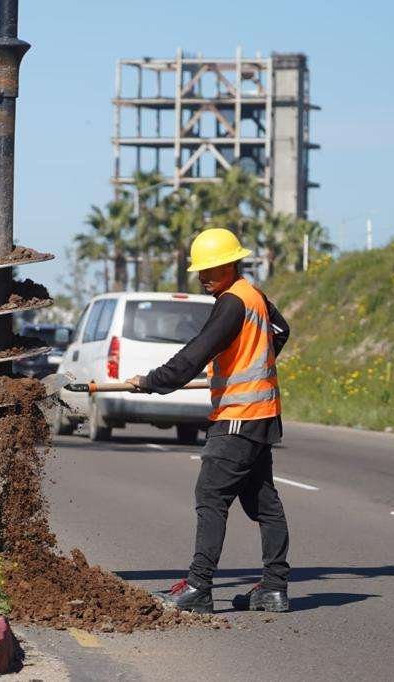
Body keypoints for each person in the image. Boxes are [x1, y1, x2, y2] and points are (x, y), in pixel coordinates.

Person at [127, 228, 292, 614]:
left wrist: (152, 382)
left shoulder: (232, 303)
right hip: (261, 417)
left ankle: (199, 586)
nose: (204, 277)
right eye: (200, 271)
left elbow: (195, 354)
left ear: (232, 264)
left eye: (211, 270)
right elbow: (281, 332)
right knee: (263, 502)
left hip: (237, 418)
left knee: (211, 497)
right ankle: (274, 587)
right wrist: (253, 363)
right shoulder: (255, 297)